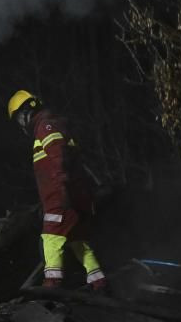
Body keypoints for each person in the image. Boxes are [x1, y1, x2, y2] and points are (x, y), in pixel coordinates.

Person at [7, 91, 107, 291]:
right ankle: (99, 281)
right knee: (78, 242)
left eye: (19, 117)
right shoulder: (51, 126)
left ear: (28, 110)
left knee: (50, 238)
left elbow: (57, 156)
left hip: (62, 198)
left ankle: (52, 284)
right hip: (73, 197)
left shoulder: (46, 126)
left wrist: (61, 190)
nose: (20, 123)